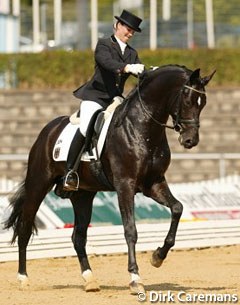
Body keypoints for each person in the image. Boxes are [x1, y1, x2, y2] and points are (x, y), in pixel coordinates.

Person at [63, 9, 145, 191]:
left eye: (132, 31)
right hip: (96, 96)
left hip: (114, 99)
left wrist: (151, 72)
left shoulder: (132, 53)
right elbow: (107, 63)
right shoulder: (104, 44)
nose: (129, 33)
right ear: (117, 25)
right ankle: (70, 172)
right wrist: (127, 68)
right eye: (127, 29)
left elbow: (140, 71)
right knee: (85, 127)